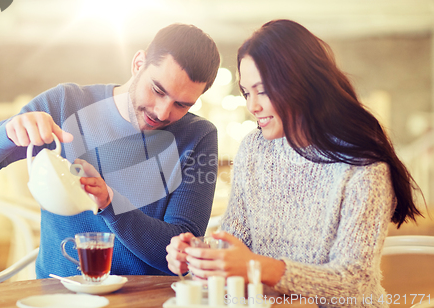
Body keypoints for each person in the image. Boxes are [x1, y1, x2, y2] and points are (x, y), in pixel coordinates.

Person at [166, 19, 424, 307]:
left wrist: (257, 266)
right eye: (246, 92)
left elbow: (354, 280)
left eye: (262, 90)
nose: (253, 106)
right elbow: (235, 241)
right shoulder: (255, 149)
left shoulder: (362, 166)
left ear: (301, 83)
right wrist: (200, 252)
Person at [0, 23, 221, 278]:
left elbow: (181, 253)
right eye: (158, 90)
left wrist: (110, 204)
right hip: (59, 294)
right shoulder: (65, 104)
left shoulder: (198, 137)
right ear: (138, 64)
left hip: (146, 298)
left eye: (182, 105)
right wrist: (7, 133)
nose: (162, 112)